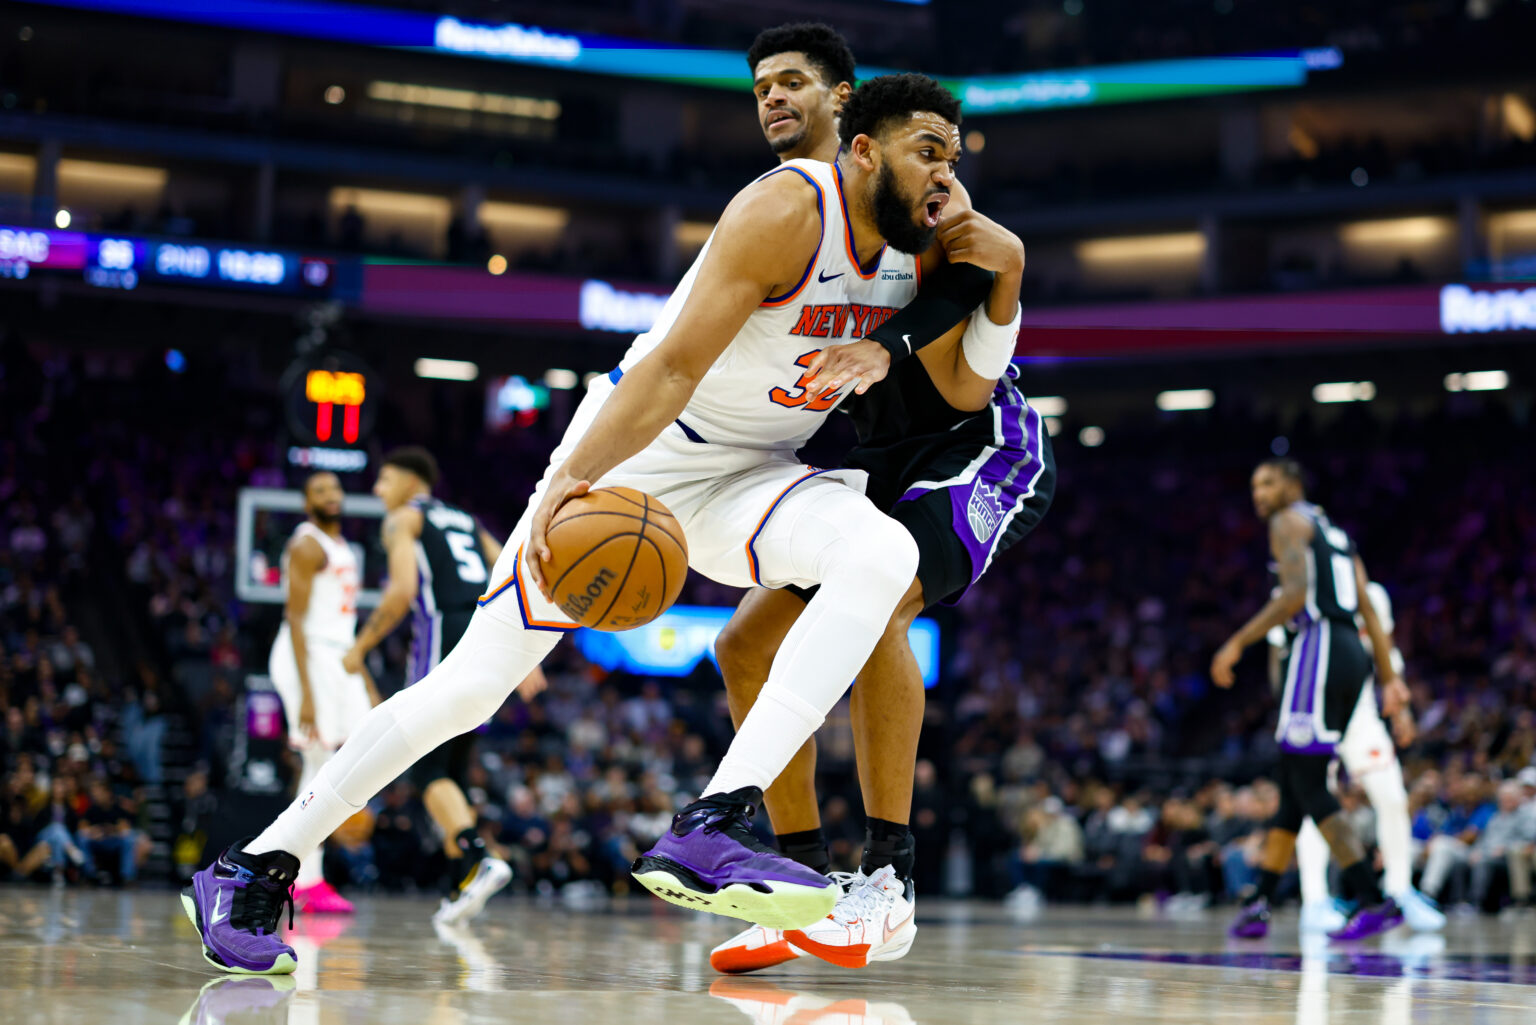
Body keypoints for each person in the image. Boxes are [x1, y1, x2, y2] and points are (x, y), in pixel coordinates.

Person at [185, 72, 981, 976]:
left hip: (752, 478)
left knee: (882, 551)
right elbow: (671, 368)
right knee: (471, 687)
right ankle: (255, 863)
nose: (947, 175)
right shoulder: (790, 209)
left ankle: (715, 817)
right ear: (864, 150)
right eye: (929, 151)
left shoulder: (932, 236)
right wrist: (574, 477)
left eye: (955, 155)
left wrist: (897, 335)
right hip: (639, 463)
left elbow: (986, 278)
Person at [709, 23, 1051, 974]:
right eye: (762, 88)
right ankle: (794, 881)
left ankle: (889, 876)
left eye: (795, 85)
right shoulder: (790, 211)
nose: (775, 100)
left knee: (886, 595)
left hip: (979, 445)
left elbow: (975, 311)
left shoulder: (922, 182)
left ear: (846, 105)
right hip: (884, 460)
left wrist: (892, 343)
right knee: (742, 645)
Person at [341, 446, 547, 924]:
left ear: (413, 482)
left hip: (444, 638)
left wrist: (362, 646)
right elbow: (514, 568)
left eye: (385, 479)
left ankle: (479, 857)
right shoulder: (468, 522)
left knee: (425, 771)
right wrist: (524, 649)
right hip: (491, 634)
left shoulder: (402, 519)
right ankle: (464, 880)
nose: (378, 491)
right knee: (451, 768)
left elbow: (401, 592)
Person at [1213, 457, 1405, 941]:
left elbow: (1294, 596)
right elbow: (1368, 613)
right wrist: (1388, 677)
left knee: (1309, 781)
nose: (1259, 494)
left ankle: (1371, 898)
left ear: (1293, 485)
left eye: (1268, 482)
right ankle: (1260, 901)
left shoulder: (1286, 521)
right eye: (1254, 484)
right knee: (1295, 778)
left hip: (1316, 650)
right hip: (1351, 655)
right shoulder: (1336, 534)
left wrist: (1238, 640)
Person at [1280, 582, 1446, 932]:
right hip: (1313, 709)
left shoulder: (1370, 595)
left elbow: (1384, 650)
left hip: (1360, 713)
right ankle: (1315, 901)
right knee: (1316, 803)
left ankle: (1398, 890)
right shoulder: (1293, 590)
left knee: (1392, 797)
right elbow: (1277, 660)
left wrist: (1400, 711)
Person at [266, 472, 380, 915]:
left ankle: (307, 875)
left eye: (334, 489)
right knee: (317, 767)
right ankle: (303, 880)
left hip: (336, 658)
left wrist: (363, 676)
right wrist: (308, 693)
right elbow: (295, 619)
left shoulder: (344, 548)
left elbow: (342, 623)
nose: (330, 496)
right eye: (320, 491)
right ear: (306, 501)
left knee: (353, 755)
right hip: (306, 656)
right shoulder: (307, 544)